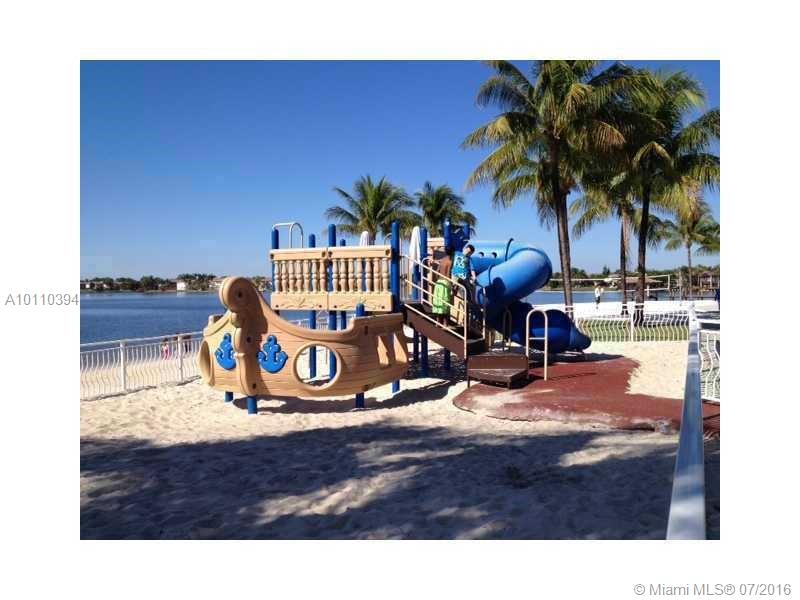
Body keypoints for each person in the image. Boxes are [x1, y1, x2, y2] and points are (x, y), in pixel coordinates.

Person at [430, 250, 454, 325]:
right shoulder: (451, 261)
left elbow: (437, 272)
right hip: (446, 282)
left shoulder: (442, 260)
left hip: (439, 283)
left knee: (438, 303)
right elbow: (450, 274)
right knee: (446, 303)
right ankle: (445, 323)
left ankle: (437, 322)